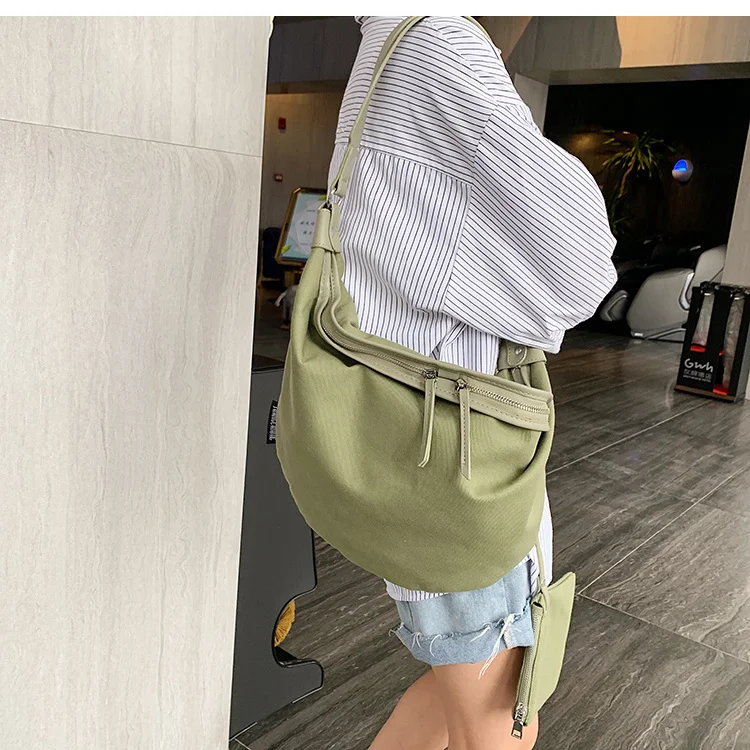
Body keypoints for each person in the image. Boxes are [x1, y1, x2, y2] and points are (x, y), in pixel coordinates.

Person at [327, 17, 617, 750]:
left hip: (411, 449)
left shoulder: (395, 37)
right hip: (456, 474)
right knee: (502, 721)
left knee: (453, 695)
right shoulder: (443, 43)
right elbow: (584, 266)